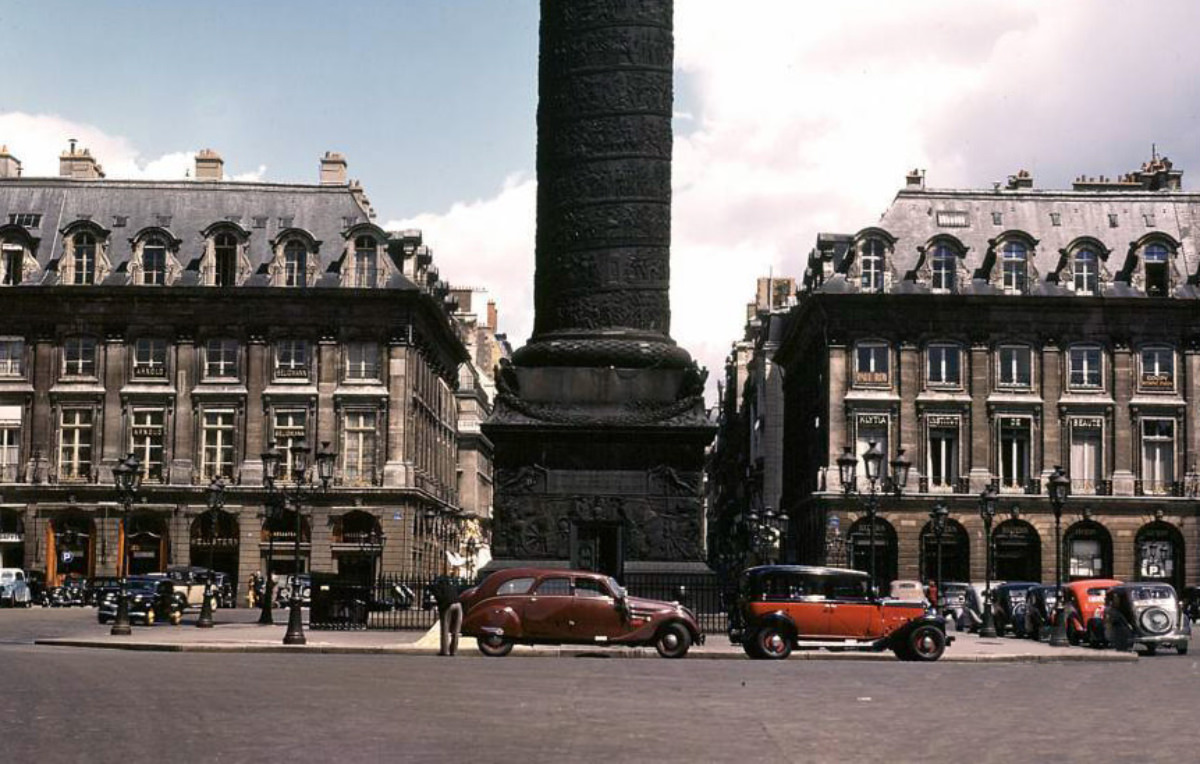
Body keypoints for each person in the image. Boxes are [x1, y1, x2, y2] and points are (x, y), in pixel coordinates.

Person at [431, 576, 463, 656]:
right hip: (458, 605)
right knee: (456, 630)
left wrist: (441, 608)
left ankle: (445, 651)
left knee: (445, 629)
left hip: (448, 605)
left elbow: (440, 598)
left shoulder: (437, 587)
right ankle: (454, 651)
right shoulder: (451, 586)